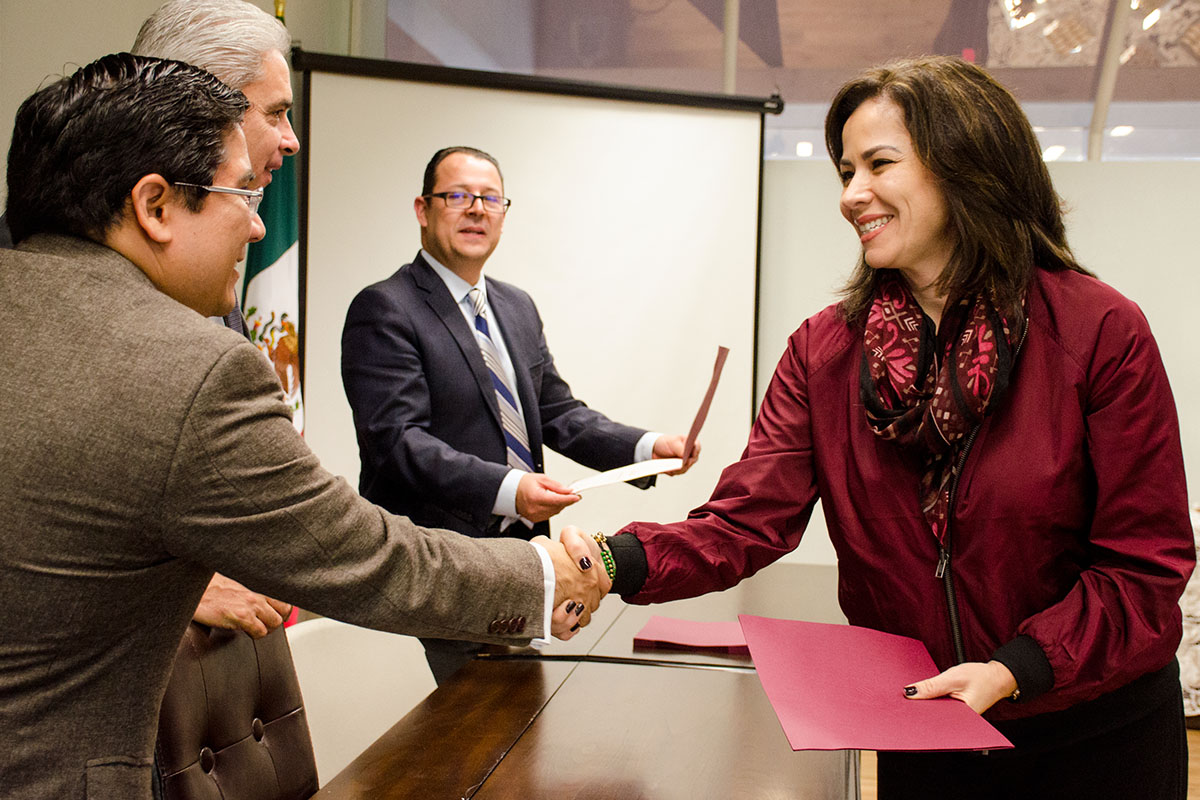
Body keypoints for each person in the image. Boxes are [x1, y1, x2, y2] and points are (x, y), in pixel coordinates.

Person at [0, 53, 607, 800]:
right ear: (155, 206)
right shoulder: (191, 370)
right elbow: (365, 558)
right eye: (241, 192)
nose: (258, 225)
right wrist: (553, 576)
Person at [600, 55, 1194, 799]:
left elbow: (1145, 565)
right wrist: (607, 559)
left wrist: (1016, 668)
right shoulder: (823, 351)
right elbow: (743, 523)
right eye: (844, 170)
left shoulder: (1101, 330)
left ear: (967, 165)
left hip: (1091, 735)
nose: (852, 195)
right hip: (924, 729)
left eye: (879, 163)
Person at [341, 145, 699, 682]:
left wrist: (648, 449)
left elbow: (559, 413)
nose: (476, 209)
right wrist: (510, 488)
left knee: (516, 729)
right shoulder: (385, 308)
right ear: (423, 208)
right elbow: (397, 445)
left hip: (520, 560)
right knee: (447, 742)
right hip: (433, 564)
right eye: (458, 195)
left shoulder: (516, 306)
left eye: (490, 198)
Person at [128, 0, 302, 639]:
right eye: (277, 112)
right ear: (203, 102)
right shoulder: (34, 274)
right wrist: (181, 583)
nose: (291, 139)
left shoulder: (215, 272)